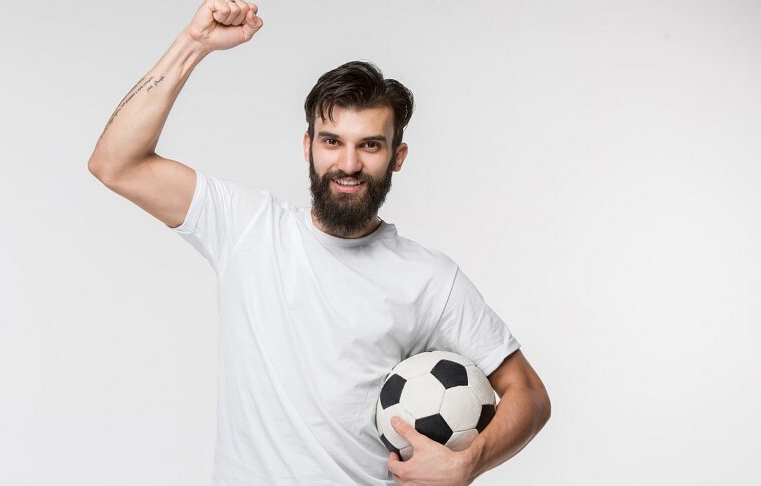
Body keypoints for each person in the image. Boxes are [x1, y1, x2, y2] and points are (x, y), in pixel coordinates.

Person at [87, 1, 551, 484]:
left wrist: (468, 463)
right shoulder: (246, 228)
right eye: (332, 141)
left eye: (370, 144)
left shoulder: (431, 278)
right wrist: (194, 44)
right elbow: (116, 162)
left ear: (398, 156)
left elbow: (528, 393)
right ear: (307, 146)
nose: (348, 163)